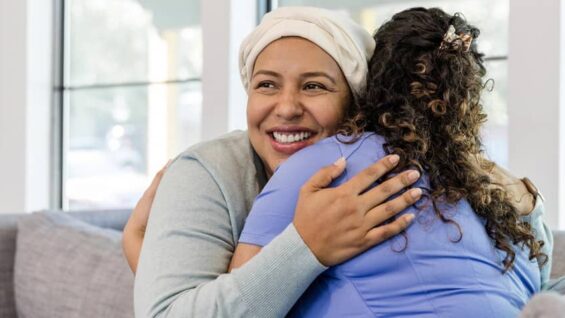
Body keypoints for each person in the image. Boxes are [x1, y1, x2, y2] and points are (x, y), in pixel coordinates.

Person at [125, 6, 551, 318]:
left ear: (358, 104)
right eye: (266, 85)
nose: (286, 107)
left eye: (314, 86)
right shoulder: (210, 173)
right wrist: (306, 246)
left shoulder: (410, 173)